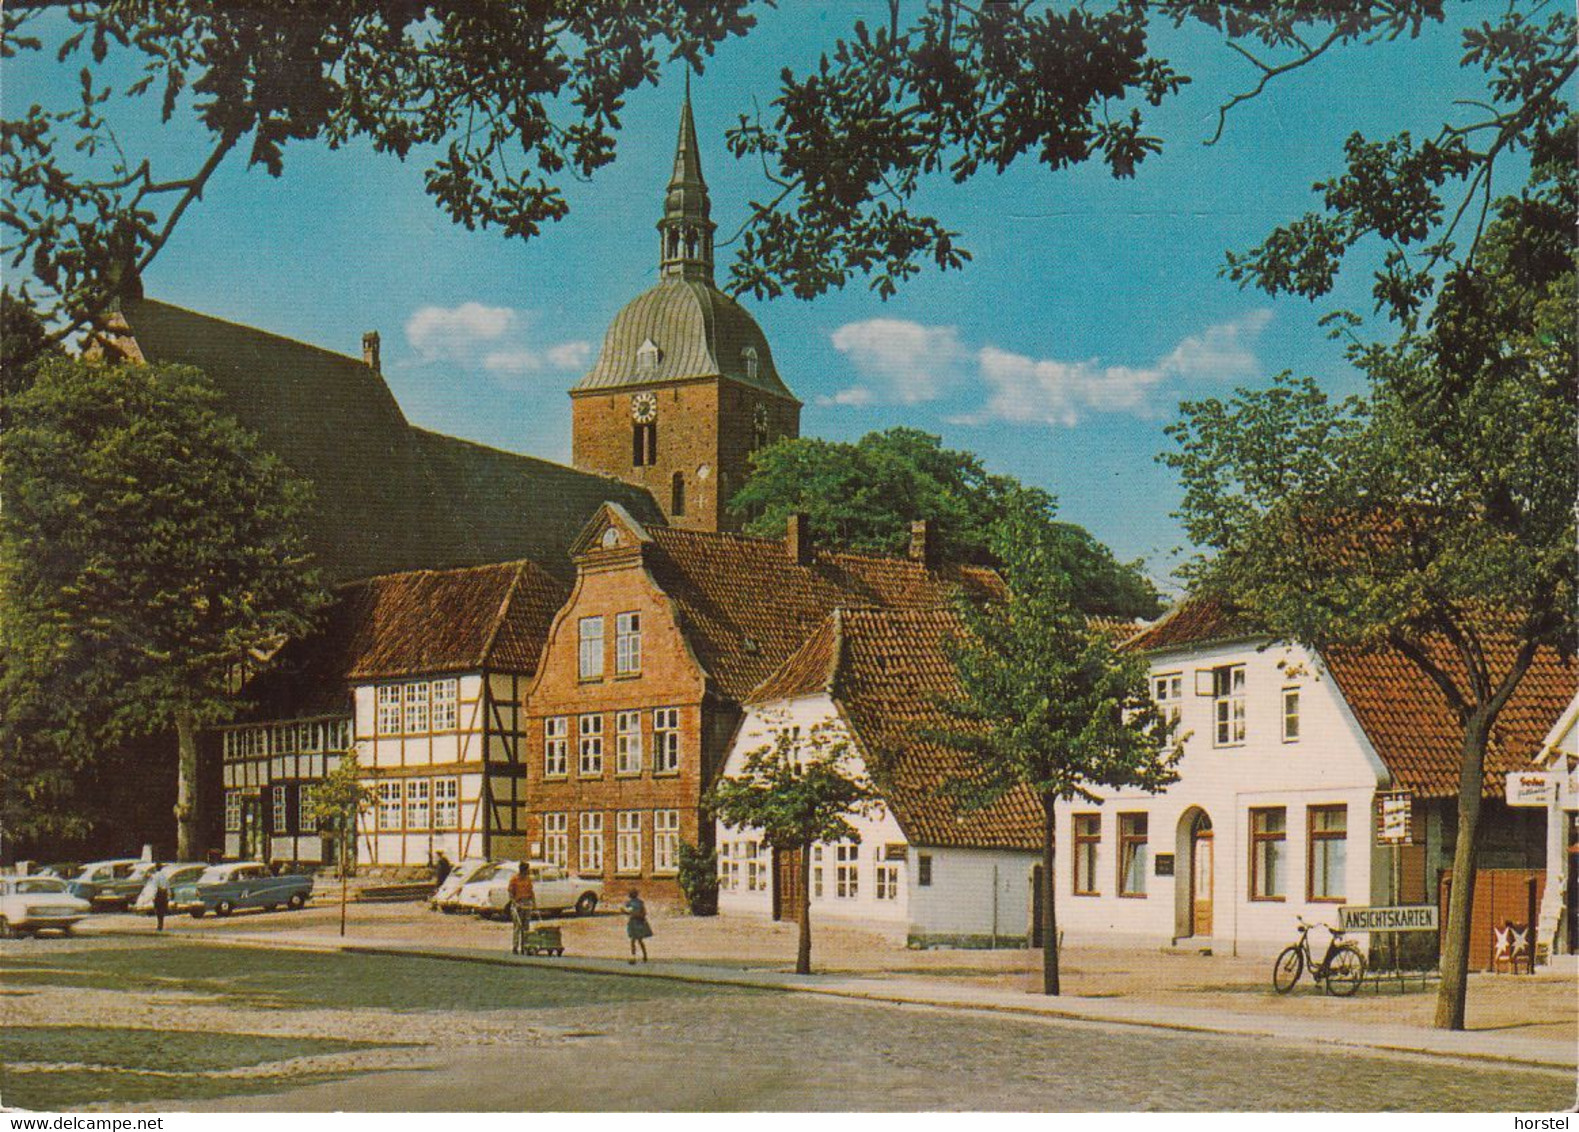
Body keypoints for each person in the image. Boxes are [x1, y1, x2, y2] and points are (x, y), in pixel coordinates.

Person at [507, 862, 536, 955]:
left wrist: (534, 903)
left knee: (526, 926)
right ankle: (515, 947)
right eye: (527, 870)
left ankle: (525, 946)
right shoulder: (514, 879)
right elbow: (510, 893)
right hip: (518, 903)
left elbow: (531, 892)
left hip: (527, 903)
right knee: (518, 926)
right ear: (523, 870)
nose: (528, 872)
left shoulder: (528, 879)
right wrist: (515, 903)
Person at [623, 889, 652, 964]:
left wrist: (626, 912)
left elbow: (627, 911)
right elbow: (644, 912)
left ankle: (634, 956)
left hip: (634, 922)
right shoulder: (640, 902)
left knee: (633, 940)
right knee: (639, 940)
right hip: (638, 922)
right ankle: (644, 955)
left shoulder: (629, 903)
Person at [151, 863, 171, 932]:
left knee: (158, 910)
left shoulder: (155, 876)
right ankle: (161, 924)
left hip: (159, 893)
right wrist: (168, 895)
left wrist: (153, 896)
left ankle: (159, 925)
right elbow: (168, 886)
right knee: (162, 910)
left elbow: (154, 887)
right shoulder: (165, 876)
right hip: (164, 893)